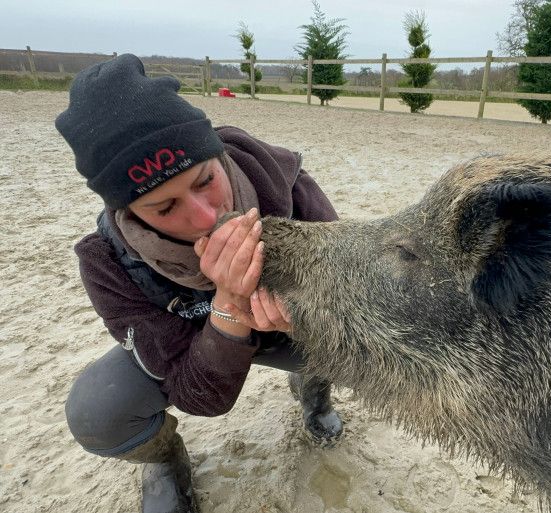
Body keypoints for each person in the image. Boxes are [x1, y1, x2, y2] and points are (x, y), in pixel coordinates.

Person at [55, 54, 343, 513]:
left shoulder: (284, 183)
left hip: (286, 333)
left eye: (205, 180)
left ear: (217, 154)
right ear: (127, 212)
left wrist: (306, 315)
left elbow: (349, 290)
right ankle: (165, 459)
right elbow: (201, 397)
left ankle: (314, 393)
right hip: (194, 354)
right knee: (98, 412)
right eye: (165, 209)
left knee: (353, 344)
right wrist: (230, 305)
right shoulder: (107, 262)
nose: (205, 217)